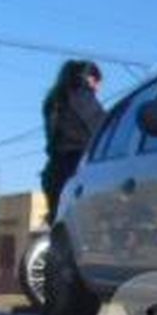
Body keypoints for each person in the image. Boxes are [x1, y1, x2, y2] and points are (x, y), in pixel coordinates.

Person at [40, 59, 106, 222]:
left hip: (54, 173)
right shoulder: (84, 99)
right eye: (99, 83)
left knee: (61, 231)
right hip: (79, 170)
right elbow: (102, 131)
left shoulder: (53, 101)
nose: (99, 89)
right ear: (90, 79)